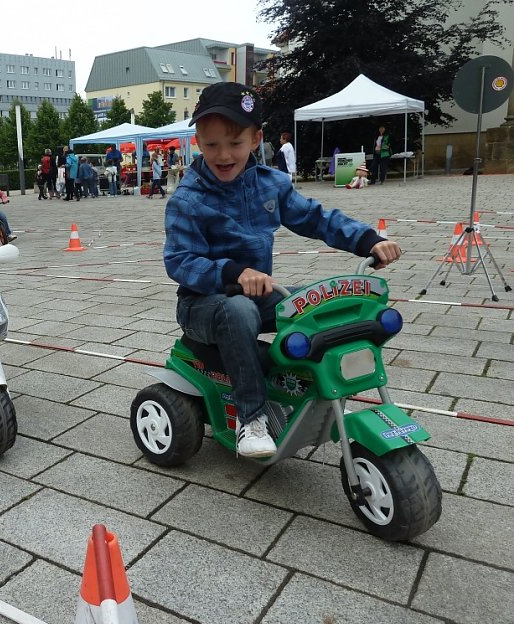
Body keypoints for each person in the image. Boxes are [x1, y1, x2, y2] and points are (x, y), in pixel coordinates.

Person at [164, 82, 401, 457]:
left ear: (256, 139)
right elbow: (179, 260)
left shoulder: (270, 184)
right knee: (238, 309)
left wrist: (367, 239)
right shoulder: (189, 199)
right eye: (211, 145)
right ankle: (251, 418)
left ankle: (317, 388)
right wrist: (233, 272)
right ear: (198, 141)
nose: (223, 155)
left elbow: (315, 218)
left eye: (234, 143)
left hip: (258, 294)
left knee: (317, 304)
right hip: (203, 304)